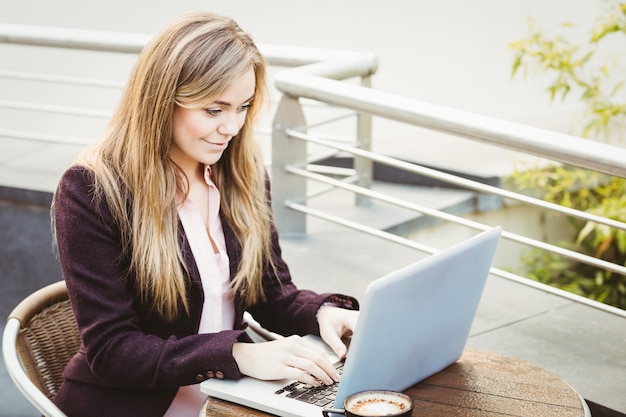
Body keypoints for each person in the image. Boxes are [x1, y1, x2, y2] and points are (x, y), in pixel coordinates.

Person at [51, 11, 359, 417]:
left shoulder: (241, 172)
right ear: (161, 102)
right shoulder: (91, 190)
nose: (231, 127)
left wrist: (323, 312)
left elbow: (270, 291)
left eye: (243, 106)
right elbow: (112, 350)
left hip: (232, 397)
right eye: (214, 110)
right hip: (137, 405)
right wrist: (237, 354)